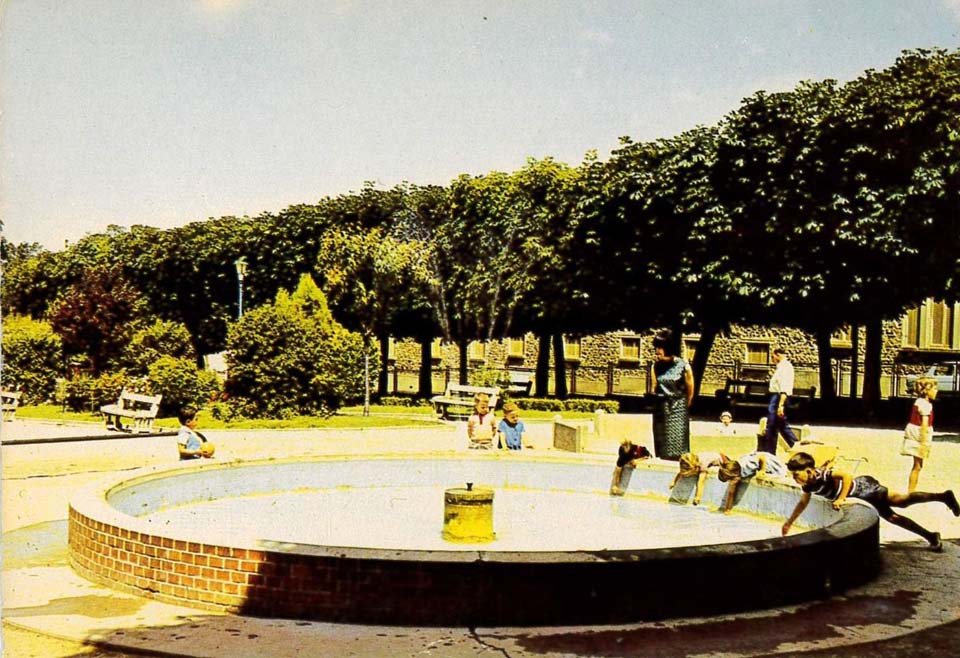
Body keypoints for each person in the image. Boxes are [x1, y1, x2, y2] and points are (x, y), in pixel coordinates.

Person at [782, 451, 959, 552]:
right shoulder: (808, 486)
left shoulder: (824, 474)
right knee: (898, 509)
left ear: (809, 471)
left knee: (901, 504)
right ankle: (937, 514)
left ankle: (937, 515)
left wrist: (841, 498)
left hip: (865, 490)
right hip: (864, 492)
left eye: (796, 475)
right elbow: (802, 503)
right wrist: (789, 522)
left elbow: (846, 476)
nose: (795, 479)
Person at [651, 329, 695, 460]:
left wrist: (685, 405)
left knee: (678, 448)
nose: (657, 351)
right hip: (661, 410)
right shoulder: (655, 366)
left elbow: (690, 389)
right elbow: (654, 387)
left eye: (660, 347)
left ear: (668, 348)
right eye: (656, 347)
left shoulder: (683, 366)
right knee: (662, 448)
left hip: (678, 410)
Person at [759, 347, 800, 453]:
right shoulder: (780, 367)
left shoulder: (785, 367)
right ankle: (798, 447)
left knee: (772, 426)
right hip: (776, 397)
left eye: (772, 356)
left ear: (778, 355)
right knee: (781, 426)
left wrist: (780, 405)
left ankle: (769, 452)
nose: (772, 358)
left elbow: (784, 387)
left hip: (779, 397)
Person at [717, 451, 786, 513]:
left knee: (777, 474)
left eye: (730, 480)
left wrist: (762, 470)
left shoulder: (746, 465)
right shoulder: (736, 473)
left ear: (735, 475)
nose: (730, 482)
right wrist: (728, 509)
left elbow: (762, 457)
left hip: (769, 462)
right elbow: (731, 492)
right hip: (756, 462)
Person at [902, 377, 938, 493]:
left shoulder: (919, 402)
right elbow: (924, 424)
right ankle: (911, 491)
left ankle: (912, 490)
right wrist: (923, 442)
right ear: (927, 390)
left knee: (918, 465)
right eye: (934, 389)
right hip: (919, 435)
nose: (936, 391)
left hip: (913, 432)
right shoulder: (926, 405)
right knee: (917, 466)